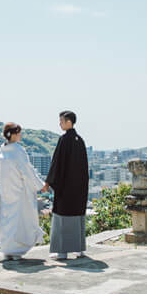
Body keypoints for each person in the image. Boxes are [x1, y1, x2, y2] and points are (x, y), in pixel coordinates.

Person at [0, 122, 45, 260]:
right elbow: (27, 170)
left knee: (7, 219)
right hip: (18, 189)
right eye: (19, 132)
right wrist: (40, 185)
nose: (20, 135)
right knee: (20, 219)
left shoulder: (2, 150)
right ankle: (16, 250)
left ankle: (7, 249)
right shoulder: (18, 150)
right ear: (14, 134)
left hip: (6, 190)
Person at [42, 110, 89, 260]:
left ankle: (62, 252)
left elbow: (56, 163)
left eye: (61, 121)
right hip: (79, 188)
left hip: (65, 187)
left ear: (69, 122)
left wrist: (48, 182)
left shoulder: (64, 140)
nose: (60, 124)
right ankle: (79, 249)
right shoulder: (80, 140)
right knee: (78, 217)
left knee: (63, 217)